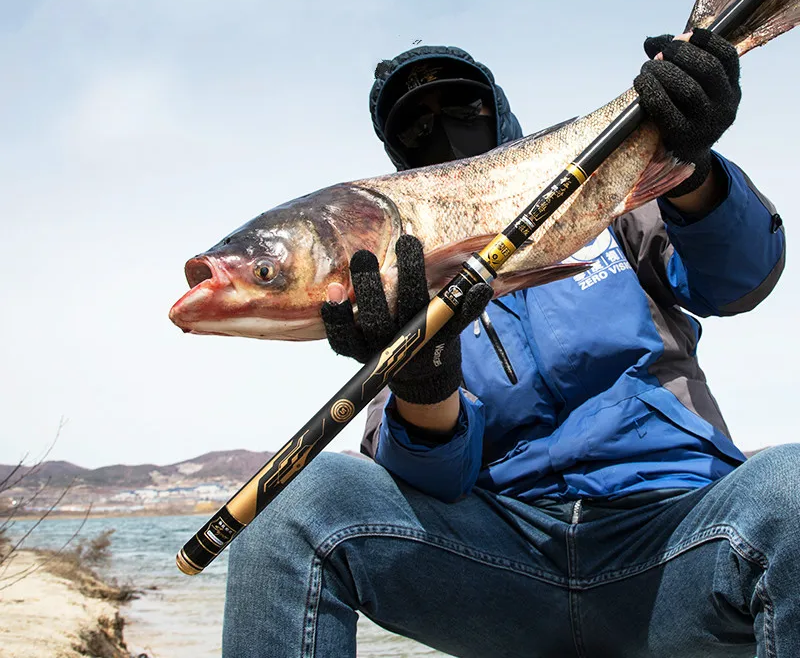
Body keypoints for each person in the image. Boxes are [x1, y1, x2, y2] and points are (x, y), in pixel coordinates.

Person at [223, 33, 796, 657]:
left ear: (498, 107)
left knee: (790, 485)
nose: (441, 128)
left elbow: (739, 279)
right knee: (287, 506)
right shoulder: (395, 280)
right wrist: (423, 385)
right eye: (414, 126)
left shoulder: (610, 200)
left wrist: (697, 168)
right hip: (508, 569)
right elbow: (432, 480)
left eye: (461, 107)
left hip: (677, 530)